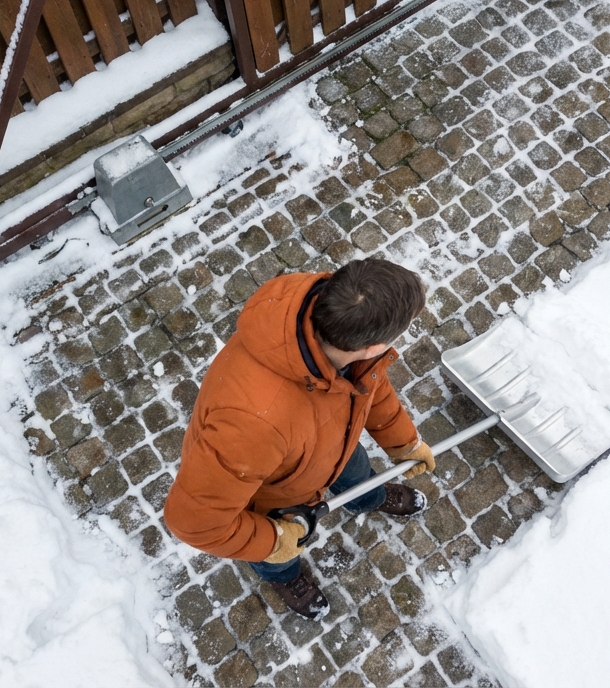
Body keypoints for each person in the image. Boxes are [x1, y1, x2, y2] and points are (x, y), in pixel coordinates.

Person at [163, 258, 436, 619]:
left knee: (358, 473)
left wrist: (403, 442)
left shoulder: (327, 313)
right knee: (281, 550)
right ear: (374, 346)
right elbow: (194, 521)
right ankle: (283, 574)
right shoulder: (252, 425)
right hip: (275, 490)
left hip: (333, 439)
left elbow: (368, 381)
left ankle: (370, 496)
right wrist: (273, 540)